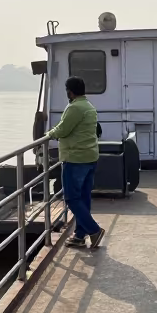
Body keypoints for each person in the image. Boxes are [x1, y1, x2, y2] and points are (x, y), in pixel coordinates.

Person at [47, 76, 104, 249]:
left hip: (75, 159)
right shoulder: (88, 106)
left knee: (71, 198)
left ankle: (94, 230)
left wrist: (49, 134)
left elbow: (63, 130)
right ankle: (80, 235)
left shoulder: (75, 108)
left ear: (69, 91)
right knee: (84, 198)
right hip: (90, 157)